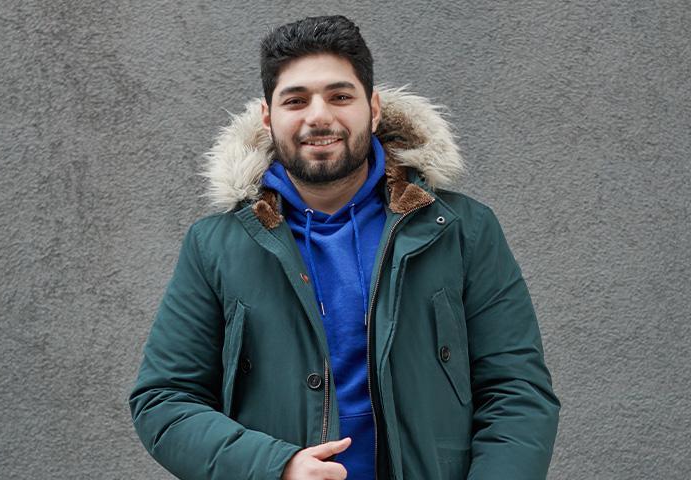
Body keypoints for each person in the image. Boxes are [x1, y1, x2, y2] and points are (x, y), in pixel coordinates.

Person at [129, 15, 560, 480]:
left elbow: (518, 391)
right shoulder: (216, 245)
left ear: (373, 109)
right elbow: (164, 400)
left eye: (340, 96)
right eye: (296, 100)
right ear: (268, 118)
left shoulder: (460, 229)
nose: (319, 116)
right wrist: (277, 467)